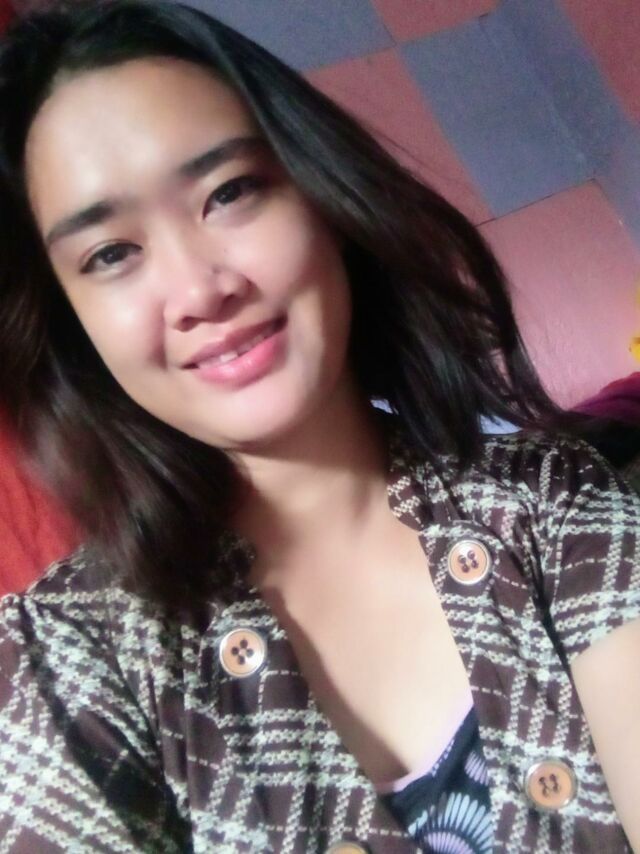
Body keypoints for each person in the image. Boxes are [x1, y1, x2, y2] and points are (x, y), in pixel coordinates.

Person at [0, 1, 638, 851]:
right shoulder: (63, 667)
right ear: (71, 323)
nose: (199, 291)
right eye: (110, 253)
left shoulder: (551, 505)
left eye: (229, 192)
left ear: (324, 198)